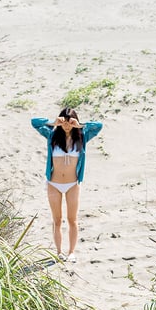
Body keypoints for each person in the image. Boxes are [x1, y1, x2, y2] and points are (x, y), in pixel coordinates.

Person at [31, 108, 103, 262]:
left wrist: (80, 125)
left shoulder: (83, 136)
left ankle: (71, 252)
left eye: (70, 121)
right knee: (57, 220)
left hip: (72, 184)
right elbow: (34, 122)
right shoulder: (51, 136)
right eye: (64, 121)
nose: (67, 125)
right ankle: (59, 252)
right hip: (54, 184)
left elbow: (99, 125)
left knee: (72, 219)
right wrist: (52, 122)